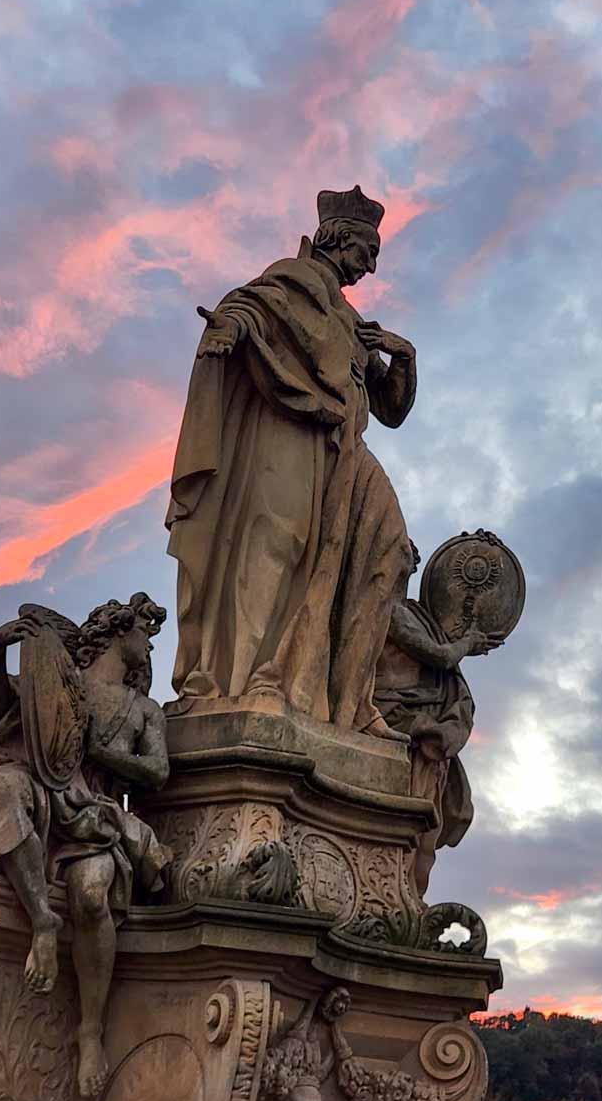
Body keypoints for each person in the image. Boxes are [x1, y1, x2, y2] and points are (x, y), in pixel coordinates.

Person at [166, 185, 417, 739]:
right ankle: (260, 677)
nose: (371, 267)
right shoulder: (292, 281)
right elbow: (245, 308)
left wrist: (403, 356)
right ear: (336, 238)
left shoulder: (351, 323)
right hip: (292, 429)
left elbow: (391, 407)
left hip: (346, 453)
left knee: (387, 549)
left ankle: (350, 699)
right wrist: (230, 330)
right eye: (367, 252)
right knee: (280, 541)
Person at [0, 593, 171, 1097]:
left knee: (93, 893)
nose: (149, 648)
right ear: (119, 632)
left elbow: (157, 770)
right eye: (145, 635)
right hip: (40, 789)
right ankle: (43, 923)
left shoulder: (145, 711)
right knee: (3, 789)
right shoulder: (59, 680)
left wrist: (102, 752)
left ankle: (90, 1031)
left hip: (94, 813)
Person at [374, 542, 503, 895]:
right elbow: (440, 656)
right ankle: (397, 897)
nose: (408, 570)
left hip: (426, 723)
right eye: (405, 561)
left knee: (426, 832)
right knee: (412, 826)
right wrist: (468, 642)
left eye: (412, 564)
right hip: (401, 722)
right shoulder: (388, 611)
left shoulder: (411, 612)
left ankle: (409, 901)